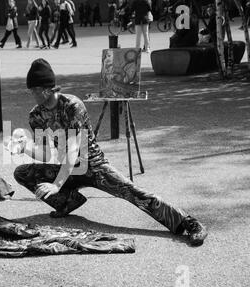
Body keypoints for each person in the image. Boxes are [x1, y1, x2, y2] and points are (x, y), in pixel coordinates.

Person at [12, 58, 208, 247]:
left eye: (34, 90)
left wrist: (56, 185)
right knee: (23, 173)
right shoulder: (36, 115)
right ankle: (67, 201)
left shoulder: (72, 106)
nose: (32, 94)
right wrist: (25, 148)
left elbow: (73, 149)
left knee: (133, 193)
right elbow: (46, 154)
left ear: (46, 89)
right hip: (67, 169)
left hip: (93, 166)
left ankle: (188, 223)